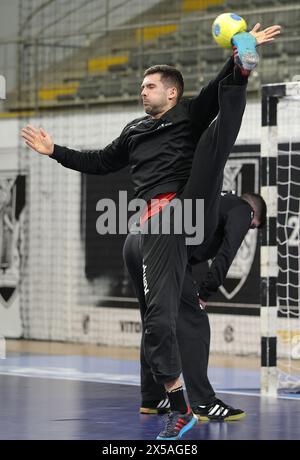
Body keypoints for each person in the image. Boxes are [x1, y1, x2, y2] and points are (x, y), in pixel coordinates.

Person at [21, 23, 281, 440]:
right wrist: (55, 152)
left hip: (187, 205)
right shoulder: (134, 132)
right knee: (165, 319)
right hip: (151, 229)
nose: (142, 91)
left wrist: (236, 58)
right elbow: (99, 162)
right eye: (142, 86)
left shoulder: (188, 117)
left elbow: (212, 93)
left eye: (150, 86)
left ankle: (243, 66)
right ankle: (174, 400)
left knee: (217, 134)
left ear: (171, 93)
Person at [123, 192, 266, 421]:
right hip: (162, 244)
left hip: (135, 240)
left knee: (155, 321)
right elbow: (226, 254)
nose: (248, 229)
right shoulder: (242, 209)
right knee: (195, 322)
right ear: (254, 214)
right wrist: (204, 293)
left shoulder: (216, 200)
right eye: (252, 227)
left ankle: (152, 398)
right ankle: (204, 403)